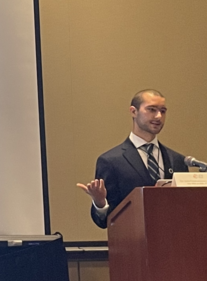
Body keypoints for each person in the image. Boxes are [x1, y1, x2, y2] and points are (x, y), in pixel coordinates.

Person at [77, 89, 189, 229]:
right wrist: (100, 203)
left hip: (175, 243)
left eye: (163, 111)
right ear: (133, 112)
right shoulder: (111, 161)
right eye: (152, 109)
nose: (159, 116)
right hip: (133, 244)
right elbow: (104, 221)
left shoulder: (177, 160)